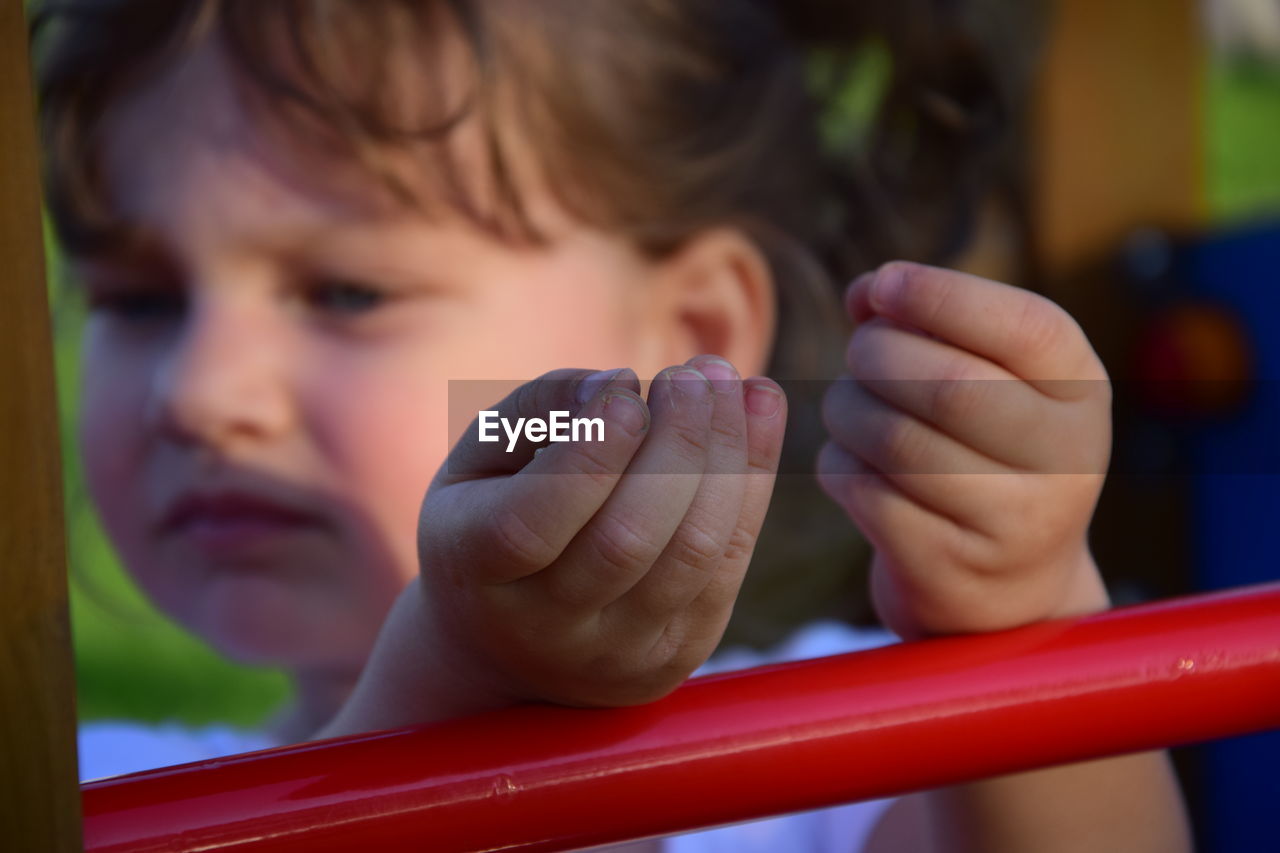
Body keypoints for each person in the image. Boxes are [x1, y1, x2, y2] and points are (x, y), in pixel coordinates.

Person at [34, 0, 1192, 849]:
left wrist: (1019, 621)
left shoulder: (828, 755)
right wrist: (457, 686)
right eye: (139, 299)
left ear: (685, 334)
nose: (198, 392)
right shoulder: (83, 794)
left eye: (346, 292)